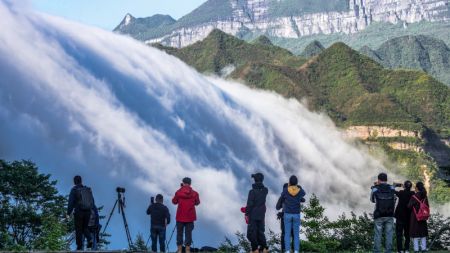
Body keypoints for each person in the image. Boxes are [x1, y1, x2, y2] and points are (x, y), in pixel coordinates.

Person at [172, 177, 200, 253]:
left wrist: (181, 189)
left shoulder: (178, 192)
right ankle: (187, 250)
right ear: (190, 184)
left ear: (183, 183)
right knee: (188, 234)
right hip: (190, 217)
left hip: (180, 216)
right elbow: (197, 203)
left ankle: (179, 250)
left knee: (179, 233)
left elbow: (174, 202)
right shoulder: (195, 193)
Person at [371, 173, 396, 253]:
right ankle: (388, 251)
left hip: (379, 215)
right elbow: (394, 199)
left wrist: (375, 186)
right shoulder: (391, 188)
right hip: (389, 214)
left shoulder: (375, 188)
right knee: (389, 234)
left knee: (378, 234)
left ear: (378, 180)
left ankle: (377, 251)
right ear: (386, 179)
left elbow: (372, 200)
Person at [279, 176, 306, 253]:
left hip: (287, 214)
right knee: (296, 234)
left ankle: (287, 251)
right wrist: (298, 187)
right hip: (296, 214)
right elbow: (304, 193)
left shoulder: (285, 190)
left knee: (287, 234)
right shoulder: (299, 191)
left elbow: (282, 196)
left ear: (289, 182)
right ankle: (296, 251)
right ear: (297, 182)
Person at [67, 175, 95, 250]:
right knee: (85, 227)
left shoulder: (74, 190)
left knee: (78, 229)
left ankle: (79, 247)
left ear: (74, 182)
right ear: (81, 181)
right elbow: (92, 202)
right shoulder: (87, 189)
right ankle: (90, 239)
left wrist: (68, 213)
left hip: (79, 211)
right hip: (88, 211)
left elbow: (71, 202)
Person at [245, 173, 269, 253]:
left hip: (253, 214)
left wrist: (246, 214)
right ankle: (264, 248)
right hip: (261, 215)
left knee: (251, 233)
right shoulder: (265, 191)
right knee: (260, 232)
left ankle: (255, 249)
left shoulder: (252, 192)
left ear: (255, 180)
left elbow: (250, 204)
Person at [408, 182, 429, 253]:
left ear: (417, 188)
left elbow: (409, 206)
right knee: (423, 232)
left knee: (415, 233)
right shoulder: (425, 196)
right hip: (423, 216)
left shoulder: (414, 196)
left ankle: (416, 250)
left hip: (415, 217)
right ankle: (424, 248)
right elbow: (427, 206)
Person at [395, 181, 414, 253]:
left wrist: (398, 185)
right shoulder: (413, 194)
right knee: (407, 234)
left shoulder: (401, 192)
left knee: (399, 234)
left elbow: (392, 189)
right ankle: (406, 249)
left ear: (404, 186)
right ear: (411, 187)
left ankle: (399, 250)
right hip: (409, 217)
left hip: (400, 216)